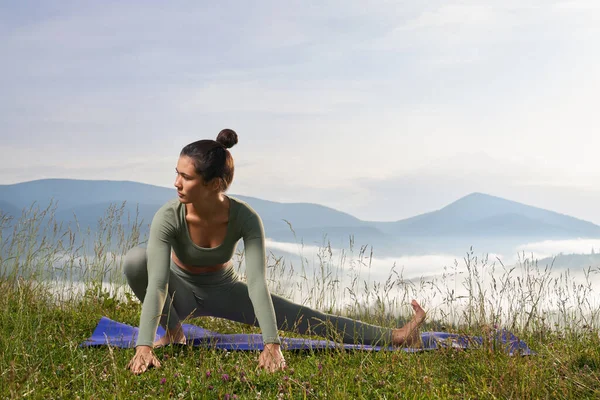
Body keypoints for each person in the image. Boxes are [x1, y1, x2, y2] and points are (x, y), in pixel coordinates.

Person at [124, 129, 427, 375]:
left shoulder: (245, 218)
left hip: (224, 290)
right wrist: (144, 344)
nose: (176, 182)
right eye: (176, 173)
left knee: (307, 318)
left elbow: (257, 284)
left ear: (214, 184)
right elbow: (159, 284)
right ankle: (174, 332)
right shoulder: (169, 215)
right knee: (137, 262)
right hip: (179, 290)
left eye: (186, 177)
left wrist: (272, 343)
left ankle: (398, 336)